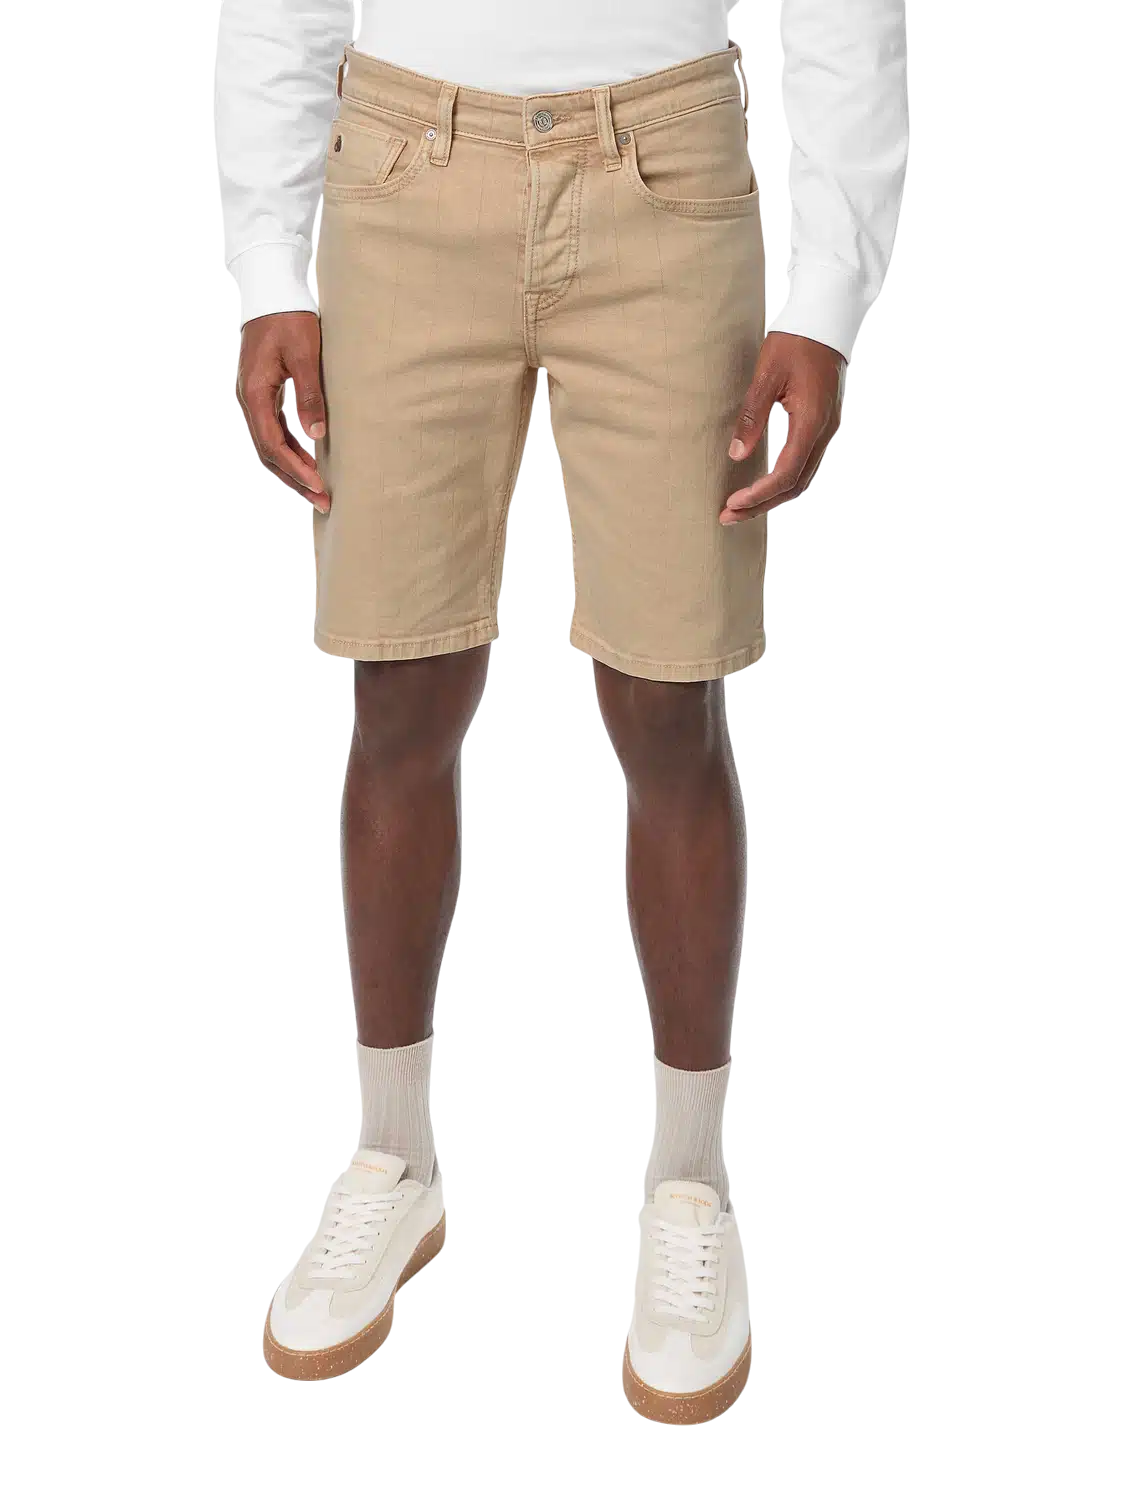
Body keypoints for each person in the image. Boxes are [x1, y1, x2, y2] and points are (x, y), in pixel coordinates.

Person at [218, 0, 909, 1412]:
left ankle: (691, 1182)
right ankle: (393, 1156)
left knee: (668, 698)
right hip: (402, 171)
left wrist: (826, 304)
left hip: (666, 174)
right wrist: (272, 271)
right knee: (401, 688)